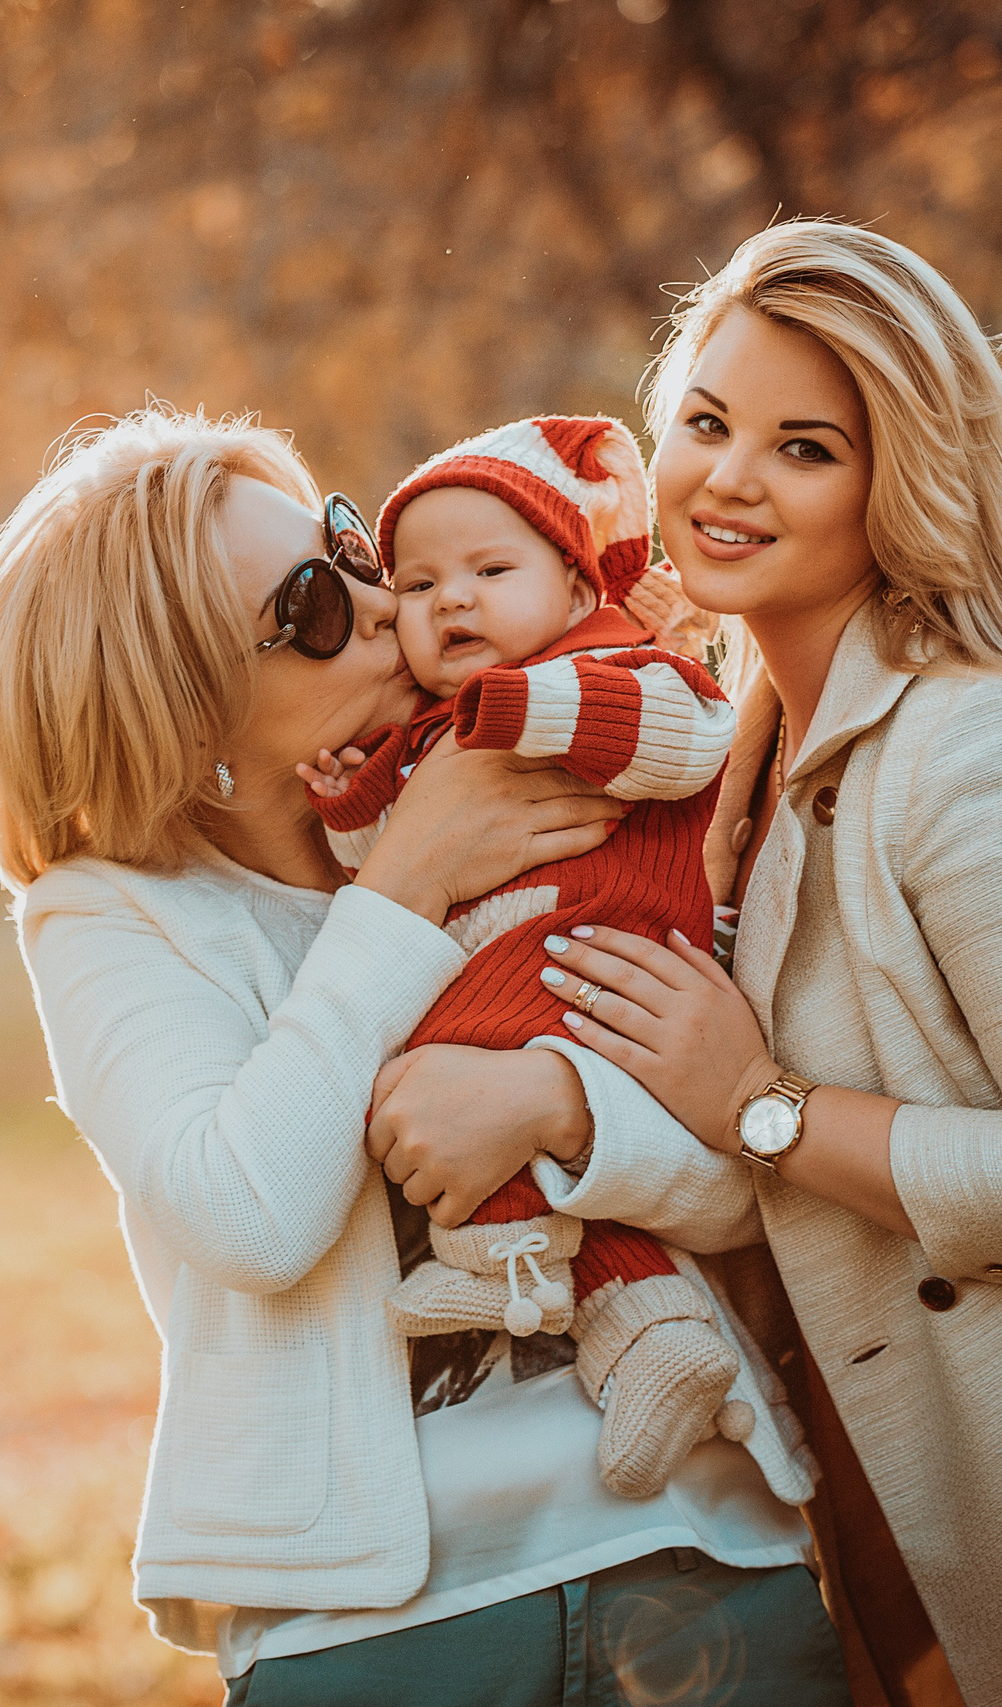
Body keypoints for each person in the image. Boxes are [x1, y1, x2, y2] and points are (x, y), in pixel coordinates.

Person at [365, 222, 1002, 1707]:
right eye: (707, 423)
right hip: (897, 1524)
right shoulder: (724, 773)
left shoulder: (985, 745)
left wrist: (760, 1105)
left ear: (899, 482)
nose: (728, 477)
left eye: (805, 448)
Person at [0, 405, 848, 1704]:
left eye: (348, 550)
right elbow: (249, 1213)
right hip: (379, 1636)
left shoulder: (537, 785)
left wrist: (557, 1103)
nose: (383, 604)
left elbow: (738, 1191)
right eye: (312, 605)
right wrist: (410, 877)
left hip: (695, 1559)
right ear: (182, 711)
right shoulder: (113, 920)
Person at [301, 415, 754, 1503]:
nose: (450, 601)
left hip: (606, 950)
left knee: (450, 1055)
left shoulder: (614, 663)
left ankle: (500, 1264)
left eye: (489, 571)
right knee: (452, 1065)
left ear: (573, 581)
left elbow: (690, 734)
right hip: (530, 963)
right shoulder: (436, 727)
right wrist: (352, 797)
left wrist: (522, 709)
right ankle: (649, 1331)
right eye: (418, 585)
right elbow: (385, 861)